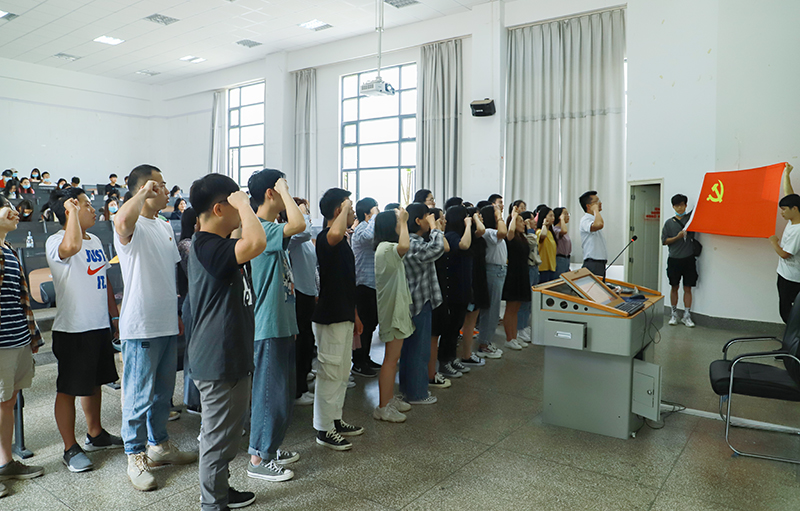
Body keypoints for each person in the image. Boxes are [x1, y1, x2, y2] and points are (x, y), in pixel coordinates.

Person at [113, 164, 196, 492]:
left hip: (165, 320)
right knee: (138, 394)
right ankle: (134, 454)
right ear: (142, 190)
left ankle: (158, 444)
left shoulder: (163, 225)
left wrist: (175, 313)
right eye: (157, 185)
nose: (165, 190)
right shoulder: (131, 224)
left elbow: (169, 273)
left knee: (163, 393)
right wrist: (142, 193)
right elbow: (121, 221)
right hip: (141, 323)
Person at [188, 173, 261, 510]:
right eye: (234, 202)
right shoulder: (208, 246)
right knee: (217, 440)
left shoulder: (216, 245)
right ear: (219, 209)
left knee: (228, 435)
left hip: (229, 354)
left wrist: (239, 205)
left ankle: (220, 489)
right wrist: (245, 204)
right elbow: (256, 242)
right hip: (218, 358)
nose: (242, 208)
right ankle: (212, 504)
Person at [46, 188, 123, 473]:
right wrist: (71, 214)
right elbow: (71, 247)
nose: (93, 209)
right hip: (73, 329)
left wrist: (114, 317)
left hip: (98, 324)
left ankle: (96, 433)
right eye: (86, 205)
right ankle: (69, 448)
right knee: (68, 388)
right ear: (70, 210)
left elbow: (103, 279)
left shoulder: (97, 240)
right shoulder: (56, 241)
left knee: (95, 382)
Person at [246, 169, 305, 482]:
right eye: (282, 188)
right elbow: (299, 223)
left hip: (281, 322)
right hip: (267, 325)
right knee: (270, 393)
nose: (287, 194)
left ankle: (269, 446)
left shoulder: (268, 228)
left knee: (280, 393)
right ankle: (258, 456)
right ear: (271, 192)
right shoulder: (260, 227)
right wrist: (284, 188)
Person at [313, 188, 365, 451]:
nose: (353, 211)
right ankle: (324, 429)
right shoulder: (326, 238)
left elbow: (347, 281)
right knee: (330, 373)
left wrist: (354, 315)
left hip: (344, 314)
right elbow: (333, 234)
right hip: (330, 316)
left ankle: (335, 419)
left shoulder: (343, 241)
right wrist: (345, 208)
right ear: (338, 210)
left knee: (342, 372)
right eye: (349, 207)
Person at [0, 195, 44, 498]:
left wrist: (32, 337)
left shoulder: (9, 250)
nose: (16, 212)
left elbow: (21, 300)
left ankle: (5, 463)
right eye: (7, 207)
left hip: (17, 340)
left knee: (8, 402)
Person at [371, 209, 414, 422]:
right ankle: (383, 407)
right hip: (392, 311)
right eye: (397, 221)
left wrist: (402, 221)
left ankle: (388, 399)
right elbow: (405, 246)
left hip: (397, 308)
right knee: (390, 359)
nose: (401, 223)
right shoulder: (385, 248)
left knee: (393, 358)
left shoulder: (387, 247)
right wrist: (405, 221)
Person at [402, 203, 446, 405]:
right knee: (418, 350)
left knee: (413, 349)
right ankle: (417, 394)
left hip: (420, 300)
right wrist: (435, 228)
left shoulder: (415, 241)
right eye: (427, 216)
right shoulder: (411, 242)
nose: (431, 219)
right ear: (418, 220)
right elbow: (437, 249)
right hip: (418, 302)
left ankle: (409, 390)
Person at [286, 198, 317, 407]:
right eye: (304, 212)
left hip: (308, 293)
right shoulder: (293, 237)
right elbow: (305, 231)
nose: (308, 217)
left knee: (307, 340)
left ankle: (303, 377)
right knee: (301, 343)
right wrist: (302, 214)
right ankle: (298, 390)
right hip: (298, 294)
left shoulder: (304, 242)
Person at [439, 205, 475, 377]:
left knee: (456, 327)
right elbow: (464, 245)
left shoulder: (460, 234)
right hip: (453, 290)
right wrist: (468, 225)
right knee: (450, 328)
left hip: (462, 288)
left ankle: (452, 358)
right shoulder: (451, 236)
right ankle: (444, 361)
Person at [351, 197, 381, 377]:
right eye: (375, 209)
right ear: (366, 213)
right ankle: (358, 362)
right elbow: (369, 237)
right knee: (363, 326)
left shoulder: (370, 227)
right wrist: (375, 216)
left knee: (370, 325)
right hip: (362, 285)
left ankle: (365, 357)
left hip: (372, 284)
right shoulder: (361, 228)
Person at [458, 206, 489, 368]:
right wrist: (474, 218)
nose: (481, 218)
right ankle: (466, 355)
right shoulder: (472, 233)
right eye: (479, 215)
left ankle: (467, 353)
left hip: (479, 277)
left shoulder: (474, 234)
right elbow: (481, 229)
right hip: (473, 279)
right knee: (469, 320)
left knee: (471, 319)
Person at [475, 201, 508, 356]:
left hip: (499, 271)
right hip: (493, 271)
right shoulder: (488, 232)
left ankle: (486, 340)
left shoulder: (491, 231)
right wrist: (499, 216)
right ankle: (484, 344)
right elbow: (503, 232)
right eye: (496, 214)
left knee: (493, 310)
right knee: (491, 310)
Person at [176, 207, 200, 415]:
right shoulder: (186, 244)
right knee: (193, 350)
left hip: (197, 298)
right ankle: (192, 399)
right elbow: (199, 269)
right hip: (191, 299)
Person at [662, 194, 698, 327]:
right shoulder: (669, 223)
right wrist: (677, 237)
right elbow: (664, 241)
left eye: (682, 205)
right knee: (674, 287)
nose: (679, 208)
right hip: (674, 260)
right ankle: (673, 314)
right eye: (677, 205)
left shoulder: (690, 220)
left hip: (688, 259)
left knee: (688, 288)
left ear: (685, 205)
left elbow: (698, 209)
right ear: (673, 207)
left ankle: (686, 315)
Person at [770, 163, 800, 323]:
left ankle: (793, 336)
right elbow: (790, 195)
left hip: (792, 278)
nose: (781, 213)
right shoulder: (794, 218)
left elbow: (785, 254)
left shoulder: (798, 231)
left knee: (787, 311)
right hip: (785, 274)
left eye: (784, 209)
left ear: (794, 209)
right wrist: (787, 174)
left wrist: (773, 241)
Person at [427, 208, 451, 390]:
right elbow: (446, 247)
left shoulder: (436, 236)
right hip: (432, 292)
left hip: (439, 289)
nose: (444, 221)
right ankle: (430, 374)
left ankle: (430, 372)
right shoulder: (430, 239)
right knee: (432, 337)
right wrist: (436, 228)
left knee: (434, 335)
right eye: (441, 219)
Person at [502, 208, 532, 350]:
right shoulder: (511, 237)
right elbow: (510, 232)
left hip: (523, 273)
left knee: (517, 308)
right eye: (520, 221)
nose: (523, 223)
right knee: (511, 308)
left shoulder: (522, 238)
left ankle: (514, 337)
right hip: (513, 274)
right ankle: (509, 338)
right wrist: (514, 216)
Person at [516, 211, 541, 344]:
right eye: (531, 219)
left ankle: (525, 325)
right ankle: (520, 328)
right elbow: (532, 243)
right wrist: (529, 229)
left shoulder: (530, 233)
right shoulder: (524, 235)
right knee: (525, 301)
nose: (534, 221)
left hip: (535, 267)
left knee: (531, 300)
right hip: (528, 268)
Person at [579, 191, 608, 278]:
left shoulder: (594, 218)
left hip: (599, 263)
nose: (600, 203)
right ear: (588, 206)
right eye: (597, 202)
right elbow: (599, 225)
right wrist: (595, 210)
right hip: (592, 263)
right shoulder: (585, 219)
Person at [537, 207, 558, 283]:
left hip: (552, 267)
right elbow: (543, 235)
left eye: (553, 216)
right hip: (543, 268)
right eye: (550, 215)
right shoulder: (539, 231)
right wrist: (544, 224)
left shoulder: (551, 233)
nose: (553, 218)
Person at [552, 207, 571, 276]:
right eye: (565, 214)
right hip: (559, 259)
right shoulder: (555, 230)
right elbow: (564, 231)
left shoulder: (562, 229)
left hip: (566, 259)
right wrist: (562, 219)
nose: (568, 216)